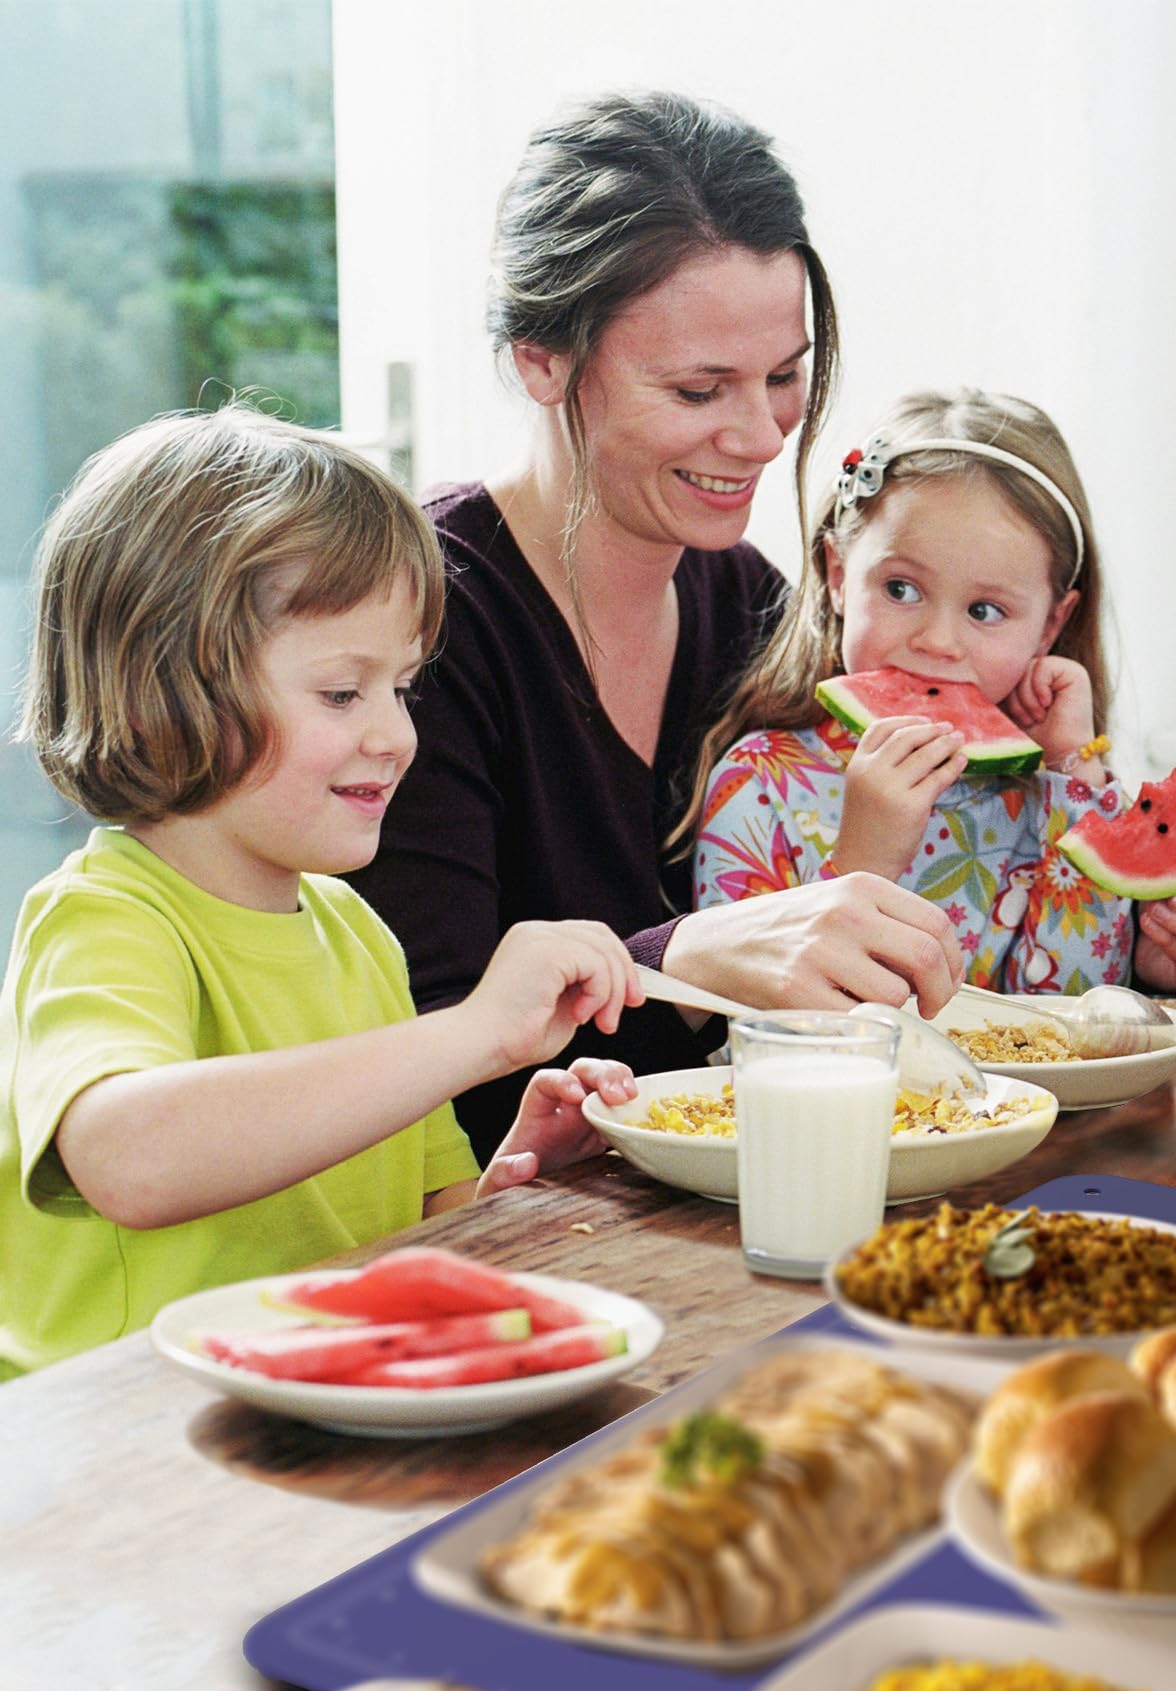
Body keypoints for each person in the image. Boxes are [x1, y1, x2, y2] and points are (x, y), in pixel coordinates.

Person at [349, 90, 961, 1159]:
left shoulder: (750, 605)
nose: (762, 436)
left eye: (784, 377)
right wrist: (687, 957)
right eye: (696, 390)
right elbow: (428, 1085)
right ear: (541, 358)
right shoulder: (414, 626)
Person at [0, 410, 646, 1376]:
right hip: (122, 1433)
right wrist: (476, 1033)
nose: (397, 736)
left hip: (311, 1409)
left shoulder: (356, 931)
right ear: (158, 694)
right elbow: (129, 1159)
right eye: (343, 693)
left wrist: (516, 1184)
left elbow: (413, 1225)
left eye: (404, 689)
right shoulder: (104, 918)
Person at [688, 388, 1176, 993]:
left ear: (1051, 626)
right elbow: (738, 1019)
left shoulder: (1056, 797)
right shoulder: (758, 784)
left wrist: (1074, 771)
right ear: (838, 575)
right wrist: (864, 861)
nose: (938, 641)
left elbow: (1076, 1011)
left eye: (985, 610)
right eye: (901, 589)